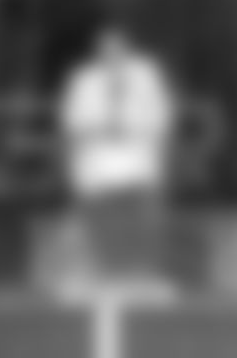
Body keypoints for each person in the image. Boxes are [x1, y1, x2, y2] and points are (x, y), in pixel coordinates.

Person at [55, 27, 179, 301]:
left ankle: (144, 277)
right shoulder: (84, 81)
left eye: (117, 51)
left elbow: (161, 116)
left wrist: (128, 124)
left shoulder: (147, 76)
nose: (112, 57)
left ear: (127, 51)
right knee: (98, 222)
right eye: (106, 52)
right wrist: (103, 125)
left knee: (141, 221)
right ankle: (97, 275)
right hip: (97, 163)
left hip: (138, 160)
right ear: (98, 55)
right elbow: (73, 121)